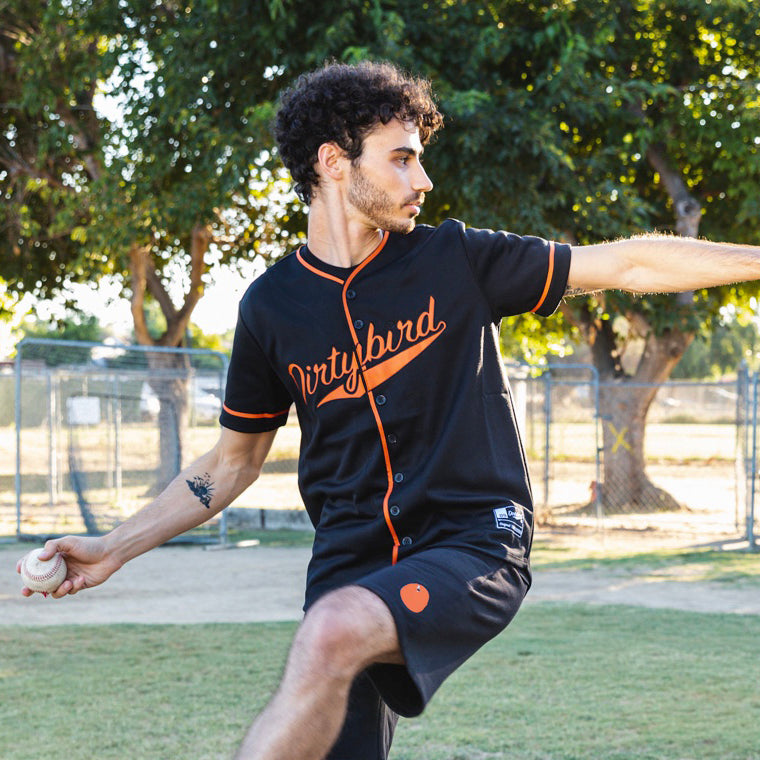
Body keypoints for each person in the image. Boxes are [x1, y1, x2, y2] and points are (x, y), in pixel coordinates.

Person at [17, 60, 760, 760]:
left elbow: (623, 262)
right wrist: (113, 546)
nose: (424, 179)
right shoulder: (271, 307)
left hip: (472, 539)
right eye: (401, 158)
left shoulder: (457, 260)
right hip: (348, 558)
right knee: (334, 659)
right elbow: (230, 464)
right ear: (334, 162)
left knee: (332, 628)